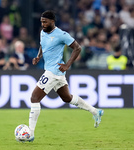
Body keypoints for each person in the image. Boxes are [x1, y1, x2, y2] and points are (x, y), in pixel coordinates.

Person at [26, 10, 104, 142]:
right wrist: (39, 56)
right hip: (56, 72)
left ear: (52, 21)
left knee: (34, 98)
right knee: (67, 98)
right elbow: (42, 45)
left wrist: (68, 65)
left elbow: (77, 48)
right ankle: (95, 111)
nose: (43, 24)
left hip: (54, 71)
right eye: (41, 22)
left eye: (45, 22)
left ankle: (30, 134)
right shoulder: (42, 33)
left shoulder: (61, 34)